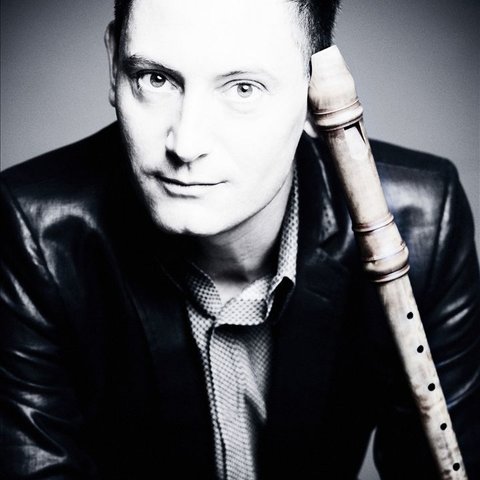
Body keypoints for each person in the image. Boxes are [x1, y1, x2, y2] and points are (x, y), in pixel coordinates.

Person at [0, 0, 479, 478]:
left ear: (316, 93)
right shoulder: (32, 232)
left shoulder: (420, 221)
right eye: (155, 79)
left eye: (243, 88)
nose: (185, 144)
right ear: (113, 63)